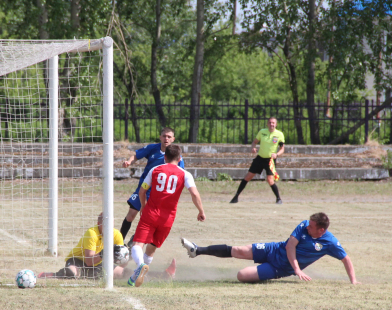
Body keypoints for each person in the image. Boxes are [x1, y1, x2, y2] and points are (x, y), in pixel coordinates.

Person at [180, 212, 360, 284]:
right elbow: (290, 247)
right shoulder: (304, 224)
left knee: (241, 276)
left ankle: (262, 274)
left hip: (278, 268)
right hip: (273, 249)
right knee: (238, 250)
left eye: (312, 226)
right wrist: (297, 269)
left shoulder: (330, 242)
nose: (307, 227)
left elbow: (346, 259)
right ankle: (198, 250)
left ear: (321, 230)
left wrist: (353, 280)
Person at [128, 145, 206, 287]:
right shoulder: (185, 174)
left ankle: (140, 265)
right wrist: (201, 211)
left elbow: (142, 192)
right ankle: (135, 276)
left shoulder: (155, 170)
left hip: (151, 214)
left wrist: (144, 208)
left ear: (164, 157)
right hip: (167, 219)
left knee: (137, 244)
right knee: (151, 248)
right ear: (180, 158)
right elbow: (194, 193)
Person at [120, 127, 184, 242]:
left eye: (169, 137)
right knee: (131, 214)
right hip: (143, 188)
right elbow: (136, 155)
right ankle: (118, 242)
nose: (166, 138)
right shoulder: (152, 148)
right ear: (160, 137)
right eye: (164, 136)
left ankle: (133, 242)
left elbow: (180, 176)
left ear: (173, 139)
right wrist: (129, 161)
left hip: (158, 194)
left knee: (148, 219)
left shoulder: (176, 157)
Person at [38, 213, 126, 279]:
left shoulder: (117, 235)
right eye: (106, 225)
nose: (109, 228)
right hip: (78, 261)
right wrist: (104, 252)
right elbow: (89, 261)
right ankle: (52, 275)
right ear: (99, 223)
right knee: (70, 273)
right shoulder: (92, 233)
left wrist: (122, 257)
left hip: (98, 264)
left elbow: (122, 261)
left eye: (112, 225)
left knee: (125, 273)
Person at [230, 117, 285, 204]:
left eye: (273, 123)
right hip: (260, 158)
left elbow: (282, 149)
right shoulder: (262, 132)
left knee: (270, 180)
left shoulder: (279, 134)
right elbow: (254, 142)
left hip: (270, 161)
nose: (271, 124)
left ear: (276, 124)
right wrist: (253, 148)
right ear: (267, 124)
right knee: (248, 177)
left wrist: (277, 154)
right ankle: (236, 197)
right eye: (270, 122)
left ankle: (278, 199)